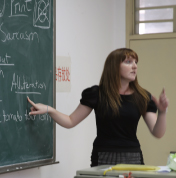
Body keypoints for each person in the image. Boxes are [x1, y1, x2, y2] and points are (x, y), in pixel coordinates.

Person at [27, 48, 169, 167]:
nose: (135, 66)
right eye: (128, 62)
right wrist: (49, 109)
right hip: (103, 156)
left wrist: (162, 112)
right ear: (114, 66)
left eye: (136, 62)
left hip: (132, 157)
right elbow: (70, 121)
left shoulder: (142, 97)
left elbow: (157, 133)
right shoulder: (96, 94)